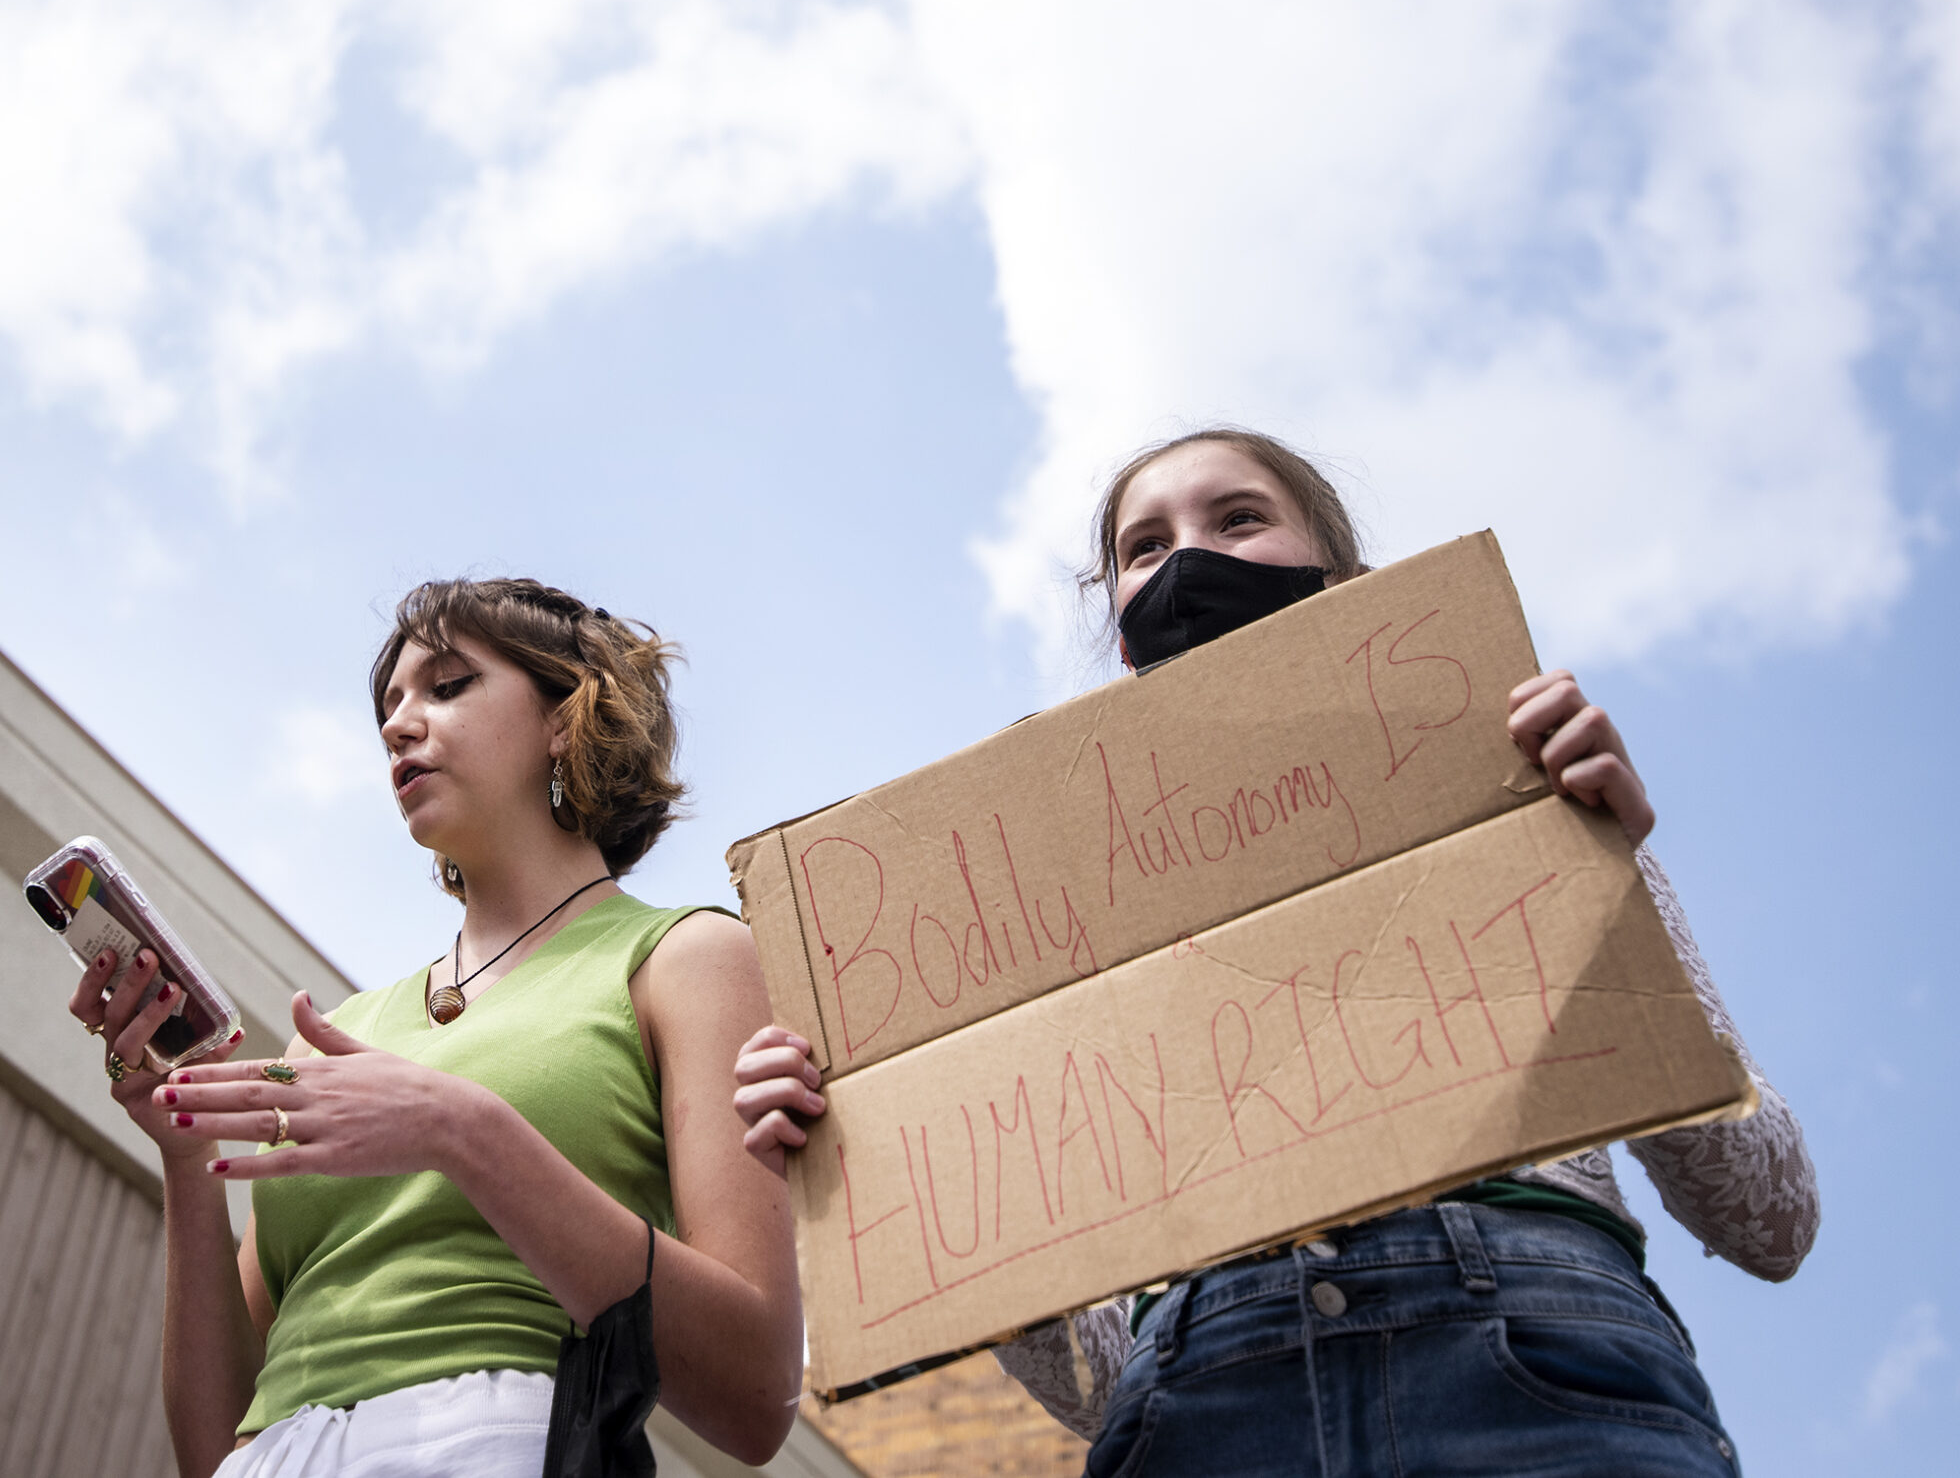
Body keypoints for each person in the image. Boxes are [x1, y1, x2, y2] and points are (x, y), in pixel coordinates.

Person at [734, 429, 1819, 1477]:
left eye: (1238, 517)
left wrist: (1600, 891)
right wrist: (904, 1166)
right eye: (1143, 547)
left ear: (1345, 576)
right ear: (1117, 624)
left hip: (1535, 1347)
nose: (1188, 560)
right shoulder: (1045, 924)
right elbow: (1105, 1390)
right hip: (1205, 1395)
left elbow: (1767, 1217)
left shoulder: (1514, 774)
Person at [83, 578, 803, 1478]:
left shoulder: (688, 958)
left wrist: (461, 1129)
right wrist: (187, 1160)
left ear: (569, 716)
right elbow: (210, 1448)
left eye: (449, 685)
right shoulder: (331, 1037)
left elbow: (756, 1393)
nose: (397, 724)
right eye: (389, 705)